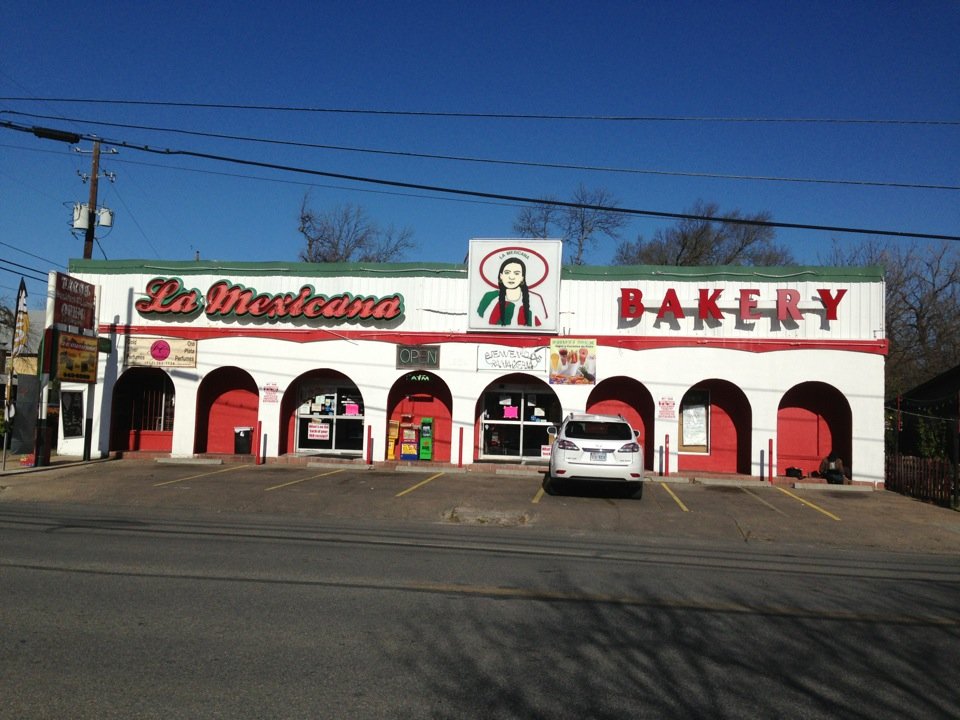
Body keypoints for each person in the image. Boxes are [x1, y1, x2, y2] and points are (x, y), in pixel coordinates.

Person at [477, 258, 546, 327]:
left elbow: (542, 324)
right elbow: (479, 320)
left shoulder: (535, 298)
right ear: (501, 276)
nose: (511, 277)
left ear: (522, 277)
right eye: (507, 272)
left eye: (516, 273)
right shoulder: (489, 297)